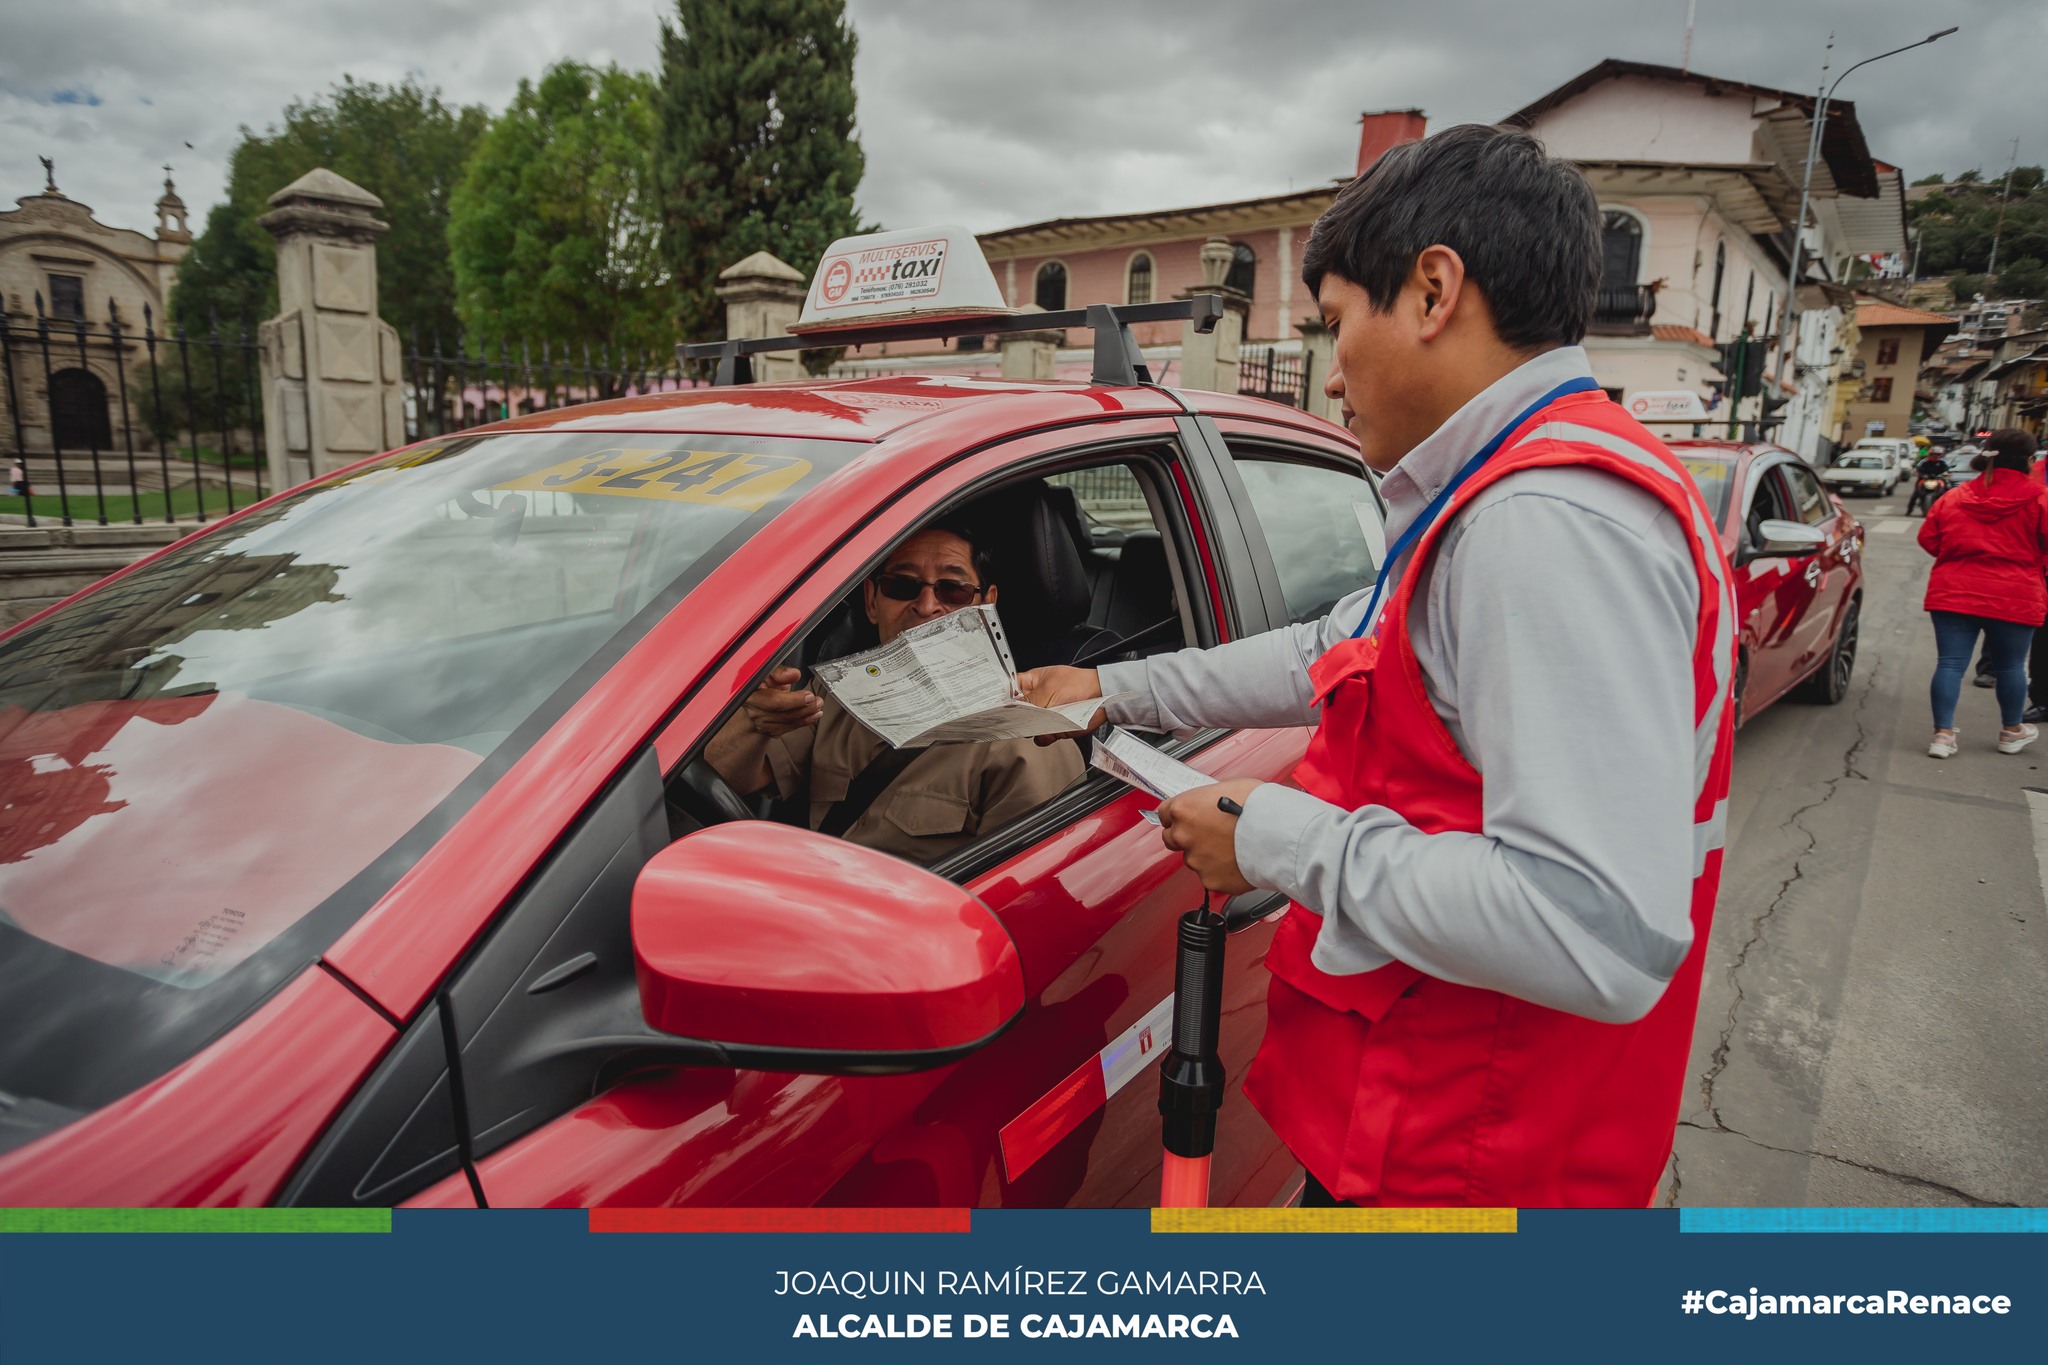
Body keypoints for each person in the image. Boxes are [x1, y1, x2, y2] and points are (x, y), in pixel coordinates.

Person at [1022, 124, 1735, 1208]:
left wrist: (1272, 837)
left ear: (1432, 290)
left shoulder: (1541, 523)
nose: (1330, 359)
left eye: (1336, 319)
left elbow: (1596, 930)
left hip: (1474, 1165)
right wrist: (1112, 688)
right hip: (1438, 1123)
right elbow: (1328, 651)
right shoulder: (1500, 494)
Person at [703, 517, 1083, 864]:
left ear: (986, 603)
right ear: (872, 601)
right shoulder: (834, 696)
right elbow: (728, 781)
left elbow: (1021, 889)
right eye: (902, 585)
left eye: (953, 589)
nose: (927, 605)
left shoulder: (1032, 739)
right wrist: (755, 721)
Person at [1918, 429, 2048, 758]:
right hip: (2015, 592)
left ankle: (1943, 736)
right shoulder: (2040, 498)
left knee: (1949, 664)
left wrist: (1960, 558)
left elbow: (1929, 539)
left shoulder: (1956, 496)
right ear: (2030, 462)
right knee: (2011, 666)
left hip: (1954, 590)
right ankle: (2011, 730)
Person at [1907, 447, 1952, 517]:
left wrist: (1945, 475)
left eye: (1937, 454)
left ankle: (1948, 511)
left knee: (1948, 492)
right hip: (1925, 479)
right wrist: (1922, 474)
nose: (1935, 456)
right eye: (1932, 454)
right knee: (1915, 494)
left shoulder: (1943, 462)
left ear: (1940, 455)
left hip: (1938, 480)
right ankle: (1909, 510)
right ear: (1929, 454)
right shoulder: (1924, 462)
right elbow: (1917, 470)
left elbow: (1948, 471)